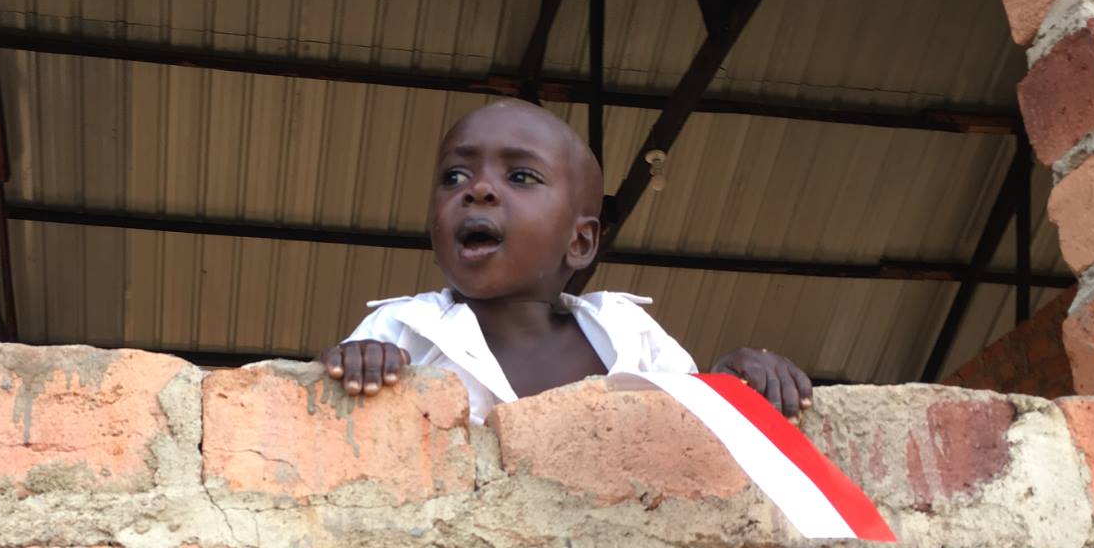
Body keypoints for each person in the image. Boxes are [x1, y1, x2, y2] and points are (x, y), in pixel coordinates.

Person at [317, 98, 811, 424]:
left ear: (580, 241)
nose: (478, 188)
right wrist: (357, 362)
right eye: (454, 176)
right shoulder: (403, 329)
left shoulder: (627, 332)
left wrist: (729, 382)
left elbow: (692, 427)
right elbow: (325, 418)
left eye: (521, 177)